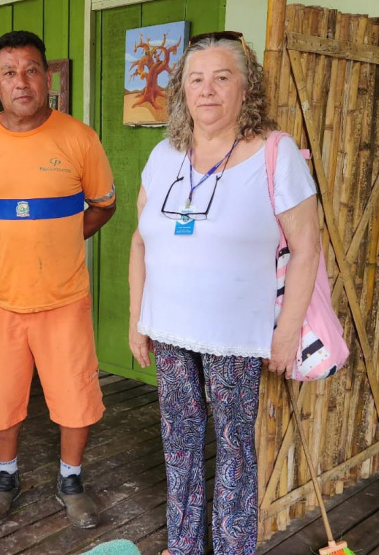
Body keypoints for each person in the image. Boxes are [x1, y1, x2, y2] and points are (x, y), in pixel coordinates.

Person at [128, 32, 320, 555]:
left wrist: (286, 333)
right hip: (170, 330)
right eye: (196, 79)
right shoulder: (164, 155)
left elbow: (307, 248)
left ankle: (233, 548)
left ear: (245, 88)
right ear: (183, 92)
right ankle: (184, 546)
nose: (206, 90)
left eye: (221, 77)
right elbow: (140, 241)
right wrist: (137, 320)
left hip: (235, 336)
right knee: (179, 445)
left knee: (235, 449)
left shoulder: (275, 153)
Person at [0, 30, 116, 529]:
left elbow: (103, 206)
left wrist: (62, 237)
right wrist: (12, 237)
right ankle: (6, 476)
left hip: (64, 298)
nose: (21, 81)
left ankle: (71, 480)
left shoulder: (79, 137)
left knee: (75, 396)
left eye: (31, 70)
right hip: (2, 299)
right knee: (1, 397)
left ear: (47, 78)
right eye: (9, 72)